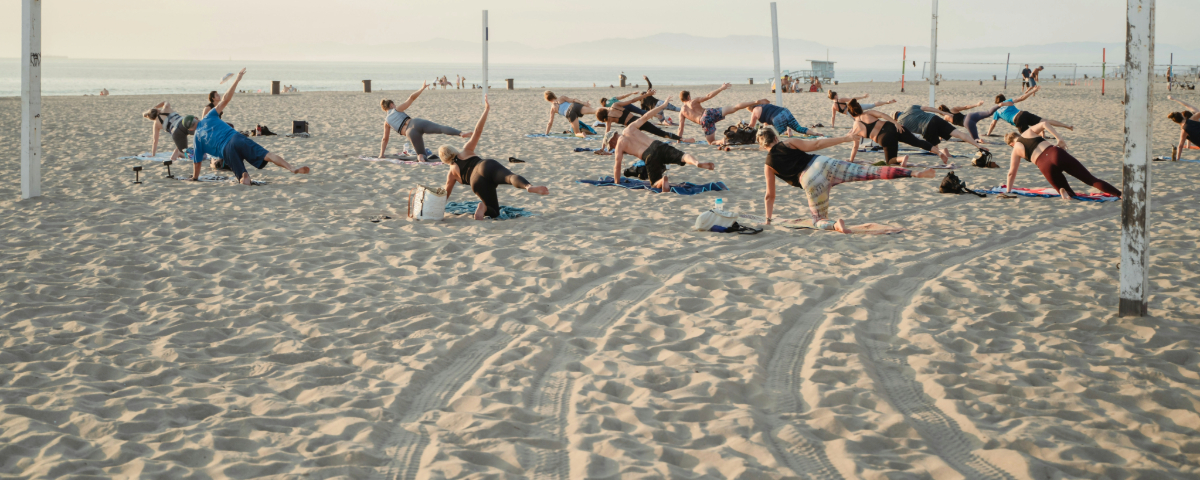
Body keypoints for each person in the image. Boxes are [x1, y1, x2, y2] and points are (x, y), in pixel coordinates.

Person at [758, 126, 935, 233]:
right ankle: (913, 173)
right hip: (823, 163)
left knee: (818, 220)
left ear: (763, 145)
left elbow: (769, 195)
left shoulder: (768, 165)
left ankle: (836, 225)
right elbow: (817, 144)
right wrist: (845, 138)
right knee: (869, 171)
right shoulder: (789, 143)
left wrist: (768, 218)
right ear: (775, 137)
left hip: (810, 182)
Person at [192, 68, 310, 185]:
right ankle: (291, 168)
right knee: (268, 155)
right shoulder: (208, 116)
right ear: (196, 119)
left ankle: (244, 176)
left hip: (226, 150)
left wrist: (194, 178)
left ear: (191, 129)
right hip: (236, 138)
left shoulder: (196, 139)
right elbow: (226, 99)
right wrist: (237, 80)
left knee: (243, 177)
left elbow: (197, 163)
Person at [440, 95, 549, 220]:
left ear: (445, 160)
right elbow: (477, 131)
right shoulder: (466, 149)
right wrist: (486, 110)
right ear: (453, 149)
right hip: (485, 166)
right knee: (510, 177)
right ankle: (528, 187)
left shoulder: (452, 173)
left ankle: (483, 207)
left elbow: (445, 194)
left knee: (494, 211)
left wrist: (437, 207)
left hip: (476, 182)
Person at [608, 97, 715, 192]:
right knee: (683, 156)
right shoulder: (630, 128)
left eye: (611, 146)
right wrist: (663, 105)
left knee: (654, 184)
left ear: (612, 141)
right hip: (658, 145)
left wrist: (617, 183)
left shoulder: (619, 145)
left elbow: (617, 166)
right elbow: (645, 116)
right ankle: (696, 162)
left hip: (648, 156)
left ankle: (661, 181)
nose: (612, 147)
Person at [1004, 122, 1119, 200]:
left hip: (1044, 166)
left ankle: (1065, 193)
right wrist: (1059, 138)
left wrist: (1008, 191)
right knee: (1090, 179)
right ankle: (1120, 194)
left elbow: (1011, 173)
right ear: (1018, 135)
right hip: (1055, 154)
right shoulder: (1028, 132)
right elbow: (1044, 123)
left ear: (1011, 144)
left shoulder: (1015, 150)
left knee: (1066, 190)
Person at [379, 82, 470, 162]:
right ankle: (461, 133)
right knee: (440, 128)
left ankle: (421, 158)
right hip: (416, 122)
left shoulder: (387, 122)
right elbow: (411, 98)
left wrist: (381, 154)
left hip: (410, 133)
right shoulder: (397, 109)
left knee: (421, 155)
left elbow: (385, 139)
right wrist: (422, 88)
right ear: (391, 105)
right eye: (393, 104)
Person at [845, 99, 934, 167]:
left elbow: (855, 146)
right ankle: (939, 152)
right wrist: (896, 123)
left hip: (884, 138)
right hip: (891, 127)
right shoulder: (869, 113)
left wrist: (851, 159)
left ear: (851, 114)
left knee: (890, 161)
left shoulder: (855, 128)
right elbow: (883, 115)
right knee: (917, 142)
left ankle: (902, 158)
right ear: (859, 108)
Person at [894, 104, 990, 163]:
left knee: (934, 150)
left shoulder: (899, 123)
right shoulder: (910, 107)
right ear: (900, 111)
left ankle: (944, 151)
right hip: (935, 118)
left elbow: (909, 137)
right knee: (958, 133)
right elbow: (928, 108)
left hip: (927, 128)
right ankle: (979, 146)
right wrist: (944, 113)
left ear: (895, 118)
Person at [676, 83, 763, 148]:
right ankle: (755, 102)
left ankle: (721, 141)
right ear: (688, 97)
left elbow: (681, 128)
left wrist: (678, 139)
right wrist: (721, 88)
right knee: (734, 107)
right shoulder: (694, 101)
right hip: (709, 112)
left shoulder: (682, 112)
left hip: (704, 120)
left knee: (711, 142)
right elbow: (709, 96)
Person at [595, 89, 693, 144]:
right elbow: (633, 100)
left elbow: (607, 134)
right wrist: (646, 95)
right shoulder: (615, 105)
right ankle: (682, 139)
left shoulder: (608, 119)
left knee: (636, 141)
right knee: (659, 132)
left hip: (631, 128)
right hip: (638, 120)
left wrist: (603, 147)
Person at [986, 86, 1073, 136]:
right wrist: (1033, 91)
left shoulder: (997, 111)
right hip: (1023, 113)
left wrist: (988, 134)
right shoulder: (1007, 101)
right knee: (1045, 121)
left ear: (996, 102)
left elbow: (993, 124)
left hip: (1018, 120)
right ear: (1003, 99)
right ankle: (1067, 126)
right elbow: (1022, 98)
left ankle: (1041, 134)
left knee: (1028, 136)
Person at [747, 101, 820, 137]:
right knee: (798, 128)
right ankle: (814, 133)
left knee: (781, 134)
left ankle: (787, 132)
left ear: (750, 109)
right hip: (785, 111)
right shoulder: (763, 105)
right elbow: (766, 123)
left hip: (777, 117)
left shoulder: (754, 111)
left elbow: (751, 126)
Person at [828, 91, 895, 128]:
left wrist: (832, 125)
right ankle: (887, 102)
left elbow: (833, 117)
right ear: (835, 96)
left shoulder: (833, 106)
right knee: (872, 105)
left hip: (850, 113)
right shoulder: (841, 99)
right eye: (837, 94)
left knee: (860, 121)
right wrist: (863, 97)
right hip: (854, 107)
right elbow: (853, 99)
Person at [1168, 95, 1200, 160]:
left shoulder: (1183, 131)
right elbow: (1187, 105)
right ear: (1183, 116)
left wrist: (1178, 159)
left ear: (1176, 122)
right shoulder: (1193, 118)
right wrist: (1175, 99)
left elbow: (1180, 146)